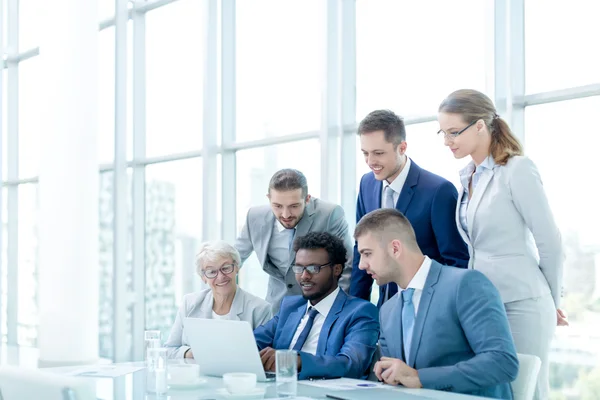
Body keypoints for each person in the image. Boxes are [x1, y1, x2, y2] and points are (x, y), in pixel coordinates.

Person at [437, 89, 566, 399]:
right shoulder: (468, 176)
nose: (447, 141)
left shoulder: (517, 170)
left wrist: (553, 298)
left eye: (454, 132)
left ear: (481, 125)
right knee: (493, 391)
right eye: (443, 133)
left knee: (528, 390)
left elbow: (550, 241)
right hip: (484, 305)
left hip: (523, 302)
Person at [355, 209, 518, 398]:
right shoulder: (387, 311)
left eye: (367, 253)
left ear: (395, 249)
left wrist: (420, 377)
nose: (361, 265)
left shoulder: (465, 285)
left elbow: (502, 362)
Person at [351, 110, 469, 306]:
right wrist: (356, 310)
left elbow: (456, 261)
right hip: (385, 310)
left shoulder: (438, 191)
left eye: (379, 153)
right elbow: (361, 250)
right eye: (365, 153)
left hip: (427, 307)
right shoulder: (367, 184)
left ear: (402, 147)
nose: (371, 162)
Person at [254, 232, 379, 380]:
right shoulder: (291, 307)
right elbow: (252, 342)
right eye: (299, 268)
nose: (304, 276)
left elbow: (351, 364)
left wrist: (298, 360)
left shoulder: (360, 312)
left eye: (313, 268)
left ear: (337, 269)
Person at [235, 169, 353, 312]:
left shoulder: (330, 214)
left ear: (307, 199)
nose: (285, 214)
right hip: (277, 307)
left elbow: (347, 265)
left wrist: (340, 310)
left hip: (323, 305)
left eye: (294, 206)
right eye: (277, 206)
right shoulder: (254, 217)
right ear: (269, 198)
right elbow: (234, 259)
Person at [164, 240, 272, 359]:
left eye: (225, 268)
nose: (220, 277)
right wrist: (191, 353)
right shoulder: (189, 303)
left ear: (237, 267)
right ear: (203, 277)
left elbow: (263, 358)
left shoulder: (260, 309)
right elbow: (169, 350)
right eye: (212, 272)